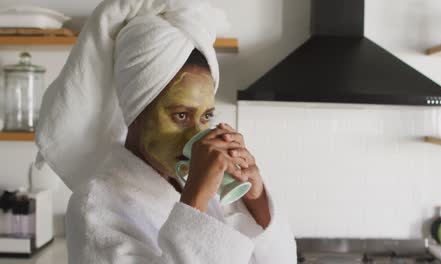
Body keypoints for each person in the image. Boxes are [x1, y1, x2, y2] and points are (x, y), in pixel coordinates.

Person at [34, 0, 296, 263]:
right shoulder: (93, 207)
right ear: (135, 112)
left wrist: (257, 201)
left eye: (206, 116)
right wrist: (195, 199)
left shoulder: (206, 184)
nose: (198, 135)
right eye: (181, 116)